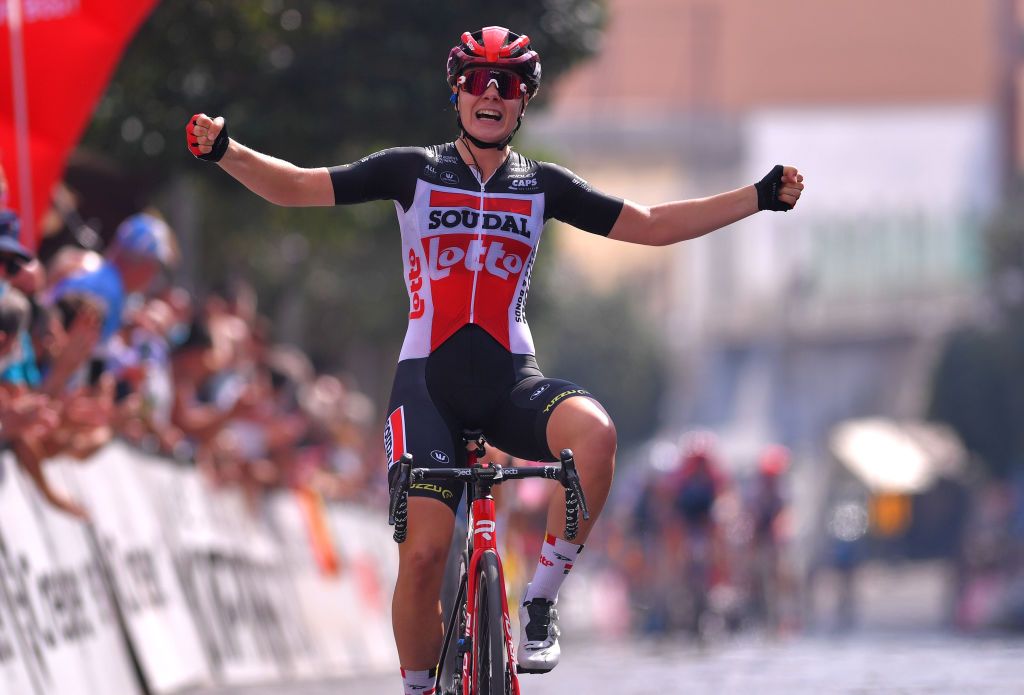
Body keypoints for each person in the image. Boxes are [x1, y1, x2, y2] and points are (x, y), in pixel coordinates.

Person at [186, 25, 804, 692]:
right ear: (456, 93)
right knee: (422, 556)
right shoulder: (410, 170)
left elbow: (651, 224)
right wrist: (226, 150)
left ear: (523, 101)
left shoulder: (543, 185)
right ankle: (419, 686)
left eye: (506, 84)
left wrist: (758, 196)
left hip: (513, 381)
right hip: (429, 383)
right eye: (476, 80)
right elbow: (300, 187)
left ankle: (539, 598)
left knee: (595, 436)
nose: (490, 94)